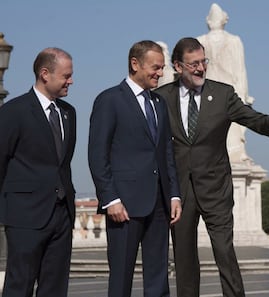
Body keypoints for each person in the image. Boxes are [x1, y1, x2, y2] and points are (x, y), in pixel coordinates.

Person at [155, 37, 269, 297]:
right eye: (193, 64)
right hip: (178, 192)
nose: (201, 69)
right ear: (178, 66)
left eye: (203, 62)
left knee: (225, 253)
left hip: (216, 189)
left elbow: (255, 119)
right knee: (183, 258)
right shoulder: (161, 98)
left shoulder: (223, 94)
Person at [88, 40, 181, 297]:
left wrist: (173, 194)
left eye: (162, 68)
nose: (160, 74)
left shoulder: (159, 104)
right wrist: (111, 199)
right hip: (124, 207)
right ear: (135, 64)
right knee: (120, 278)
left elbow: (166, 154)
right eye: (155, 67)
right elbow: (98, 155)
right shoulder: (109, 100)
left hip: (160, 206)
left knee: (159, 278)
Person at [0, 47, 76, 297]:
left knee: (55, 289)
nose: (71, 81)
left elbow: (62, 164)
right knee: (19, 287)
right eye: (66, 76)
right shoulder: (13, 112)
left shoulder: (68, 113)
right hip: (25, 218)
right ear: (45, 74)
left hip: (61, 216)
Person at [197, 3, 253, 162]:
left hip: (207, 88)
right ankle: (234, 152)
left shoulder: (199, 41)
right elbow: (240, 71)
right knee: (231, 124)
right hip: (227, 87)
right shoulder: (234, 40)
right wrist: (245, 94)